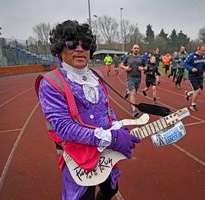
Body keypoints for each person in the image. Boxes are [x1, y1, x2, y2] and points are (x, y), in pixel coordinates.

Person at [36, 20, 141, 200]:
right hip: (79, 156)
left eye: (84, 44)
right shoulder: (51, 83)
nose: (79, 49)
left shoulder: (96, 76)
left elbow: (107, 110)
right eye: (71, 44)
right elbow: (64, 128)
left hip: (106, 150)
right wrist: (112, 137)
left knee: (111, 190)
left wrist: (117, 126)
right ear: (60, 48)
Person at [120, 44, 146, 117]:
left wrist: (143, 69)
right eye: (135, 48)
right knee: (133, 93)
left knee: (134, 92)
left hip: (138, 78)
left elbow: (146, 66)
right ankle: (134, 110)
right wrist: (126, 68)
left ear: (139, 49)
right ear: (132, 49)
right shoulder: (128, 57)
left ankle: (127, 91)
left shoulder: (141, 58)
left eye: (137, 48)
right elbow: (121, 65)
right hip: (130, 77)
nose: (136, 49)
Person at [184, 44, 205, 111]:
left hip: (200, 76)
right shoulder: (191, 56)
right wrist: (191, 68)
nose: (204, 52)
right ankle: (193, 105)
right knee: (197, 91)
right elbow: (185, 63)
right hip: (193, 76)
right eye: (202, 51)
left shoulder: (204, 56)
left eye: (204, 51)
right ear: (198, 49)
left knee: (199, 91)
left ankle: (188, 93)